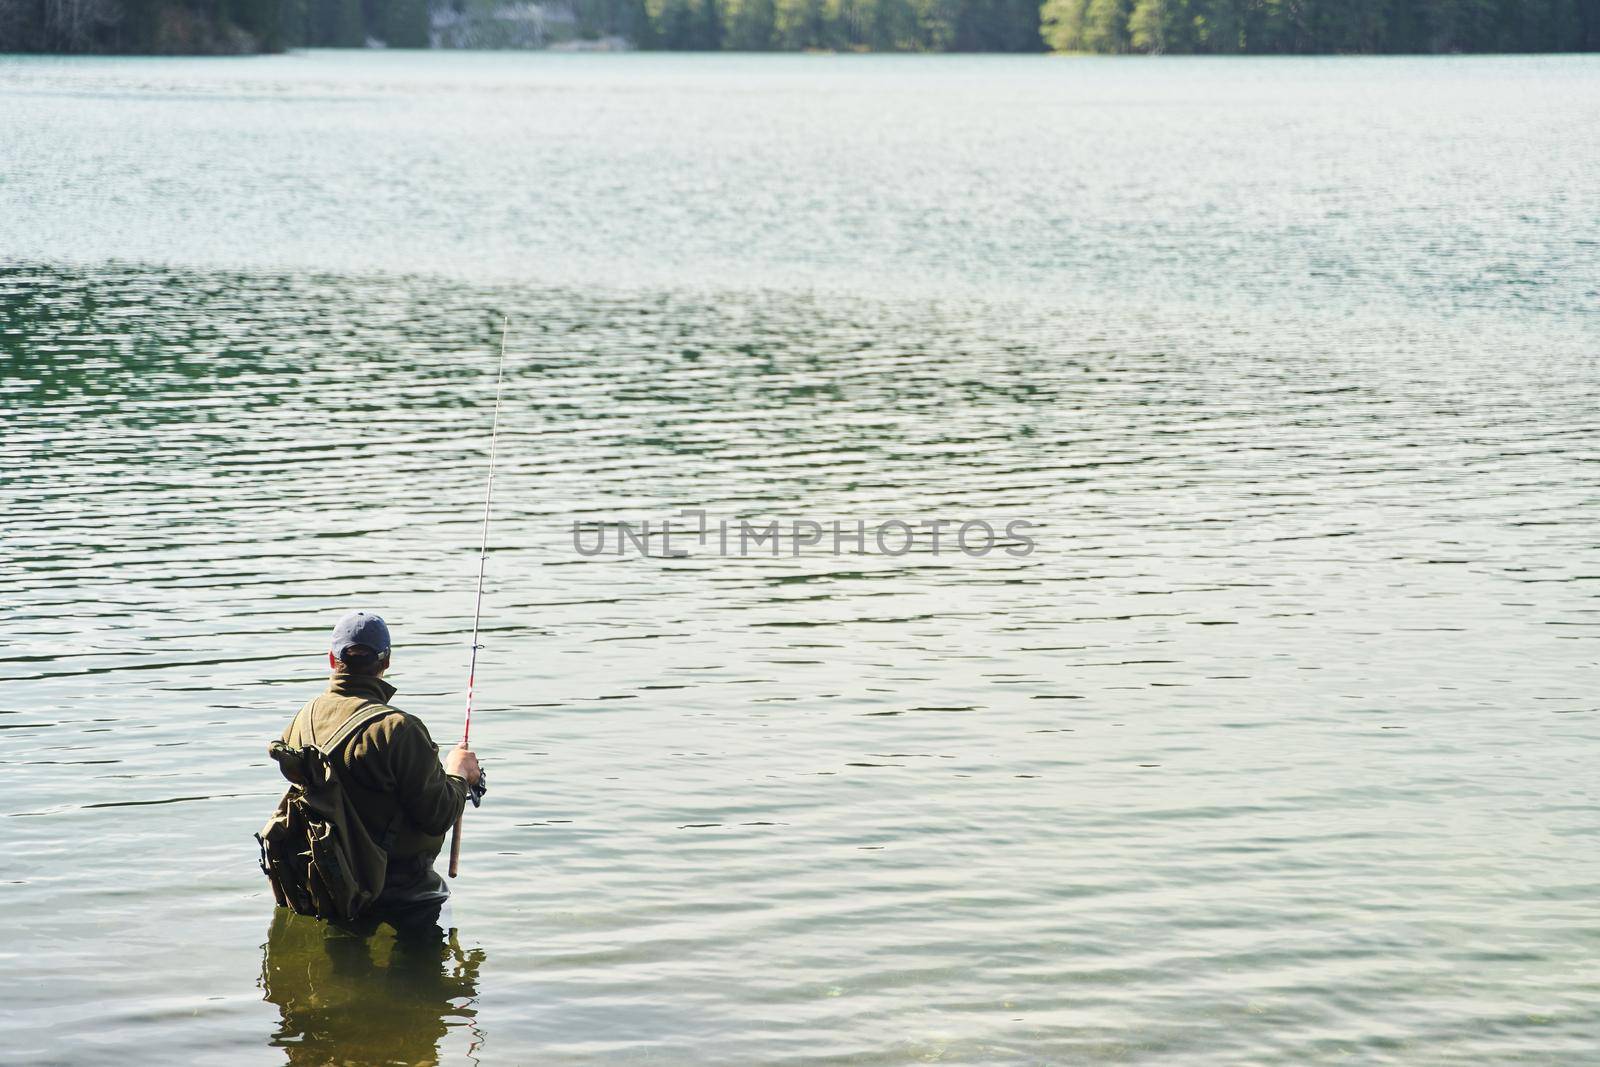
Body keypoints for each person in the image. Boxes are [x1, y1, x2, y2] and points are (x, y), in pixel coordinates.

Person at [280, 609, 481, 933]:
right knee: (426, 980)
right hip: (404, 896)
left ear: (332, 660)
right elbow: (438, 814)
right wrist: (458, 775)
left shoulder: (301, 720)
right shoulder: (399, 730)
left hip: (332, 886)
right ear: (385, 662)